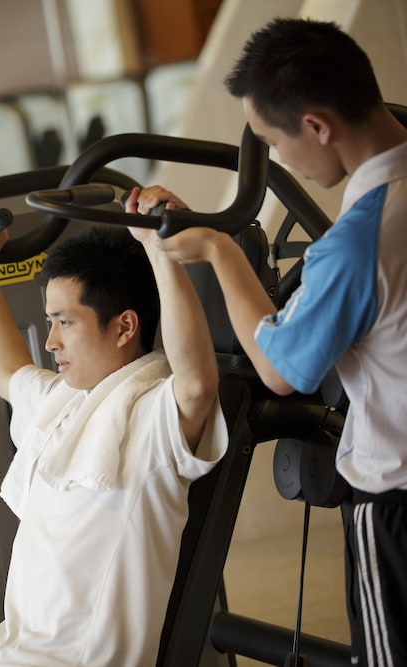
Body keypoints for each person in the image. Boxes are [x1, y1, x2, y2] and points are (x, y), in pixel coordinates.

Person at [140, 17, 407, 666]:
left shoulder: (359, 241)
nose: (280, 159)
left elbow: (281, 369)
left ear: (317, 125)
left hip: (396, 496)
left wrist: (220, 249)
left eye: (273, 142)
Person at [0, 197, 228, 666]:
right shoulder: (63, 402)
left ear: (125, 326)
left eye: (65, 322)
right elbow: (7, 373)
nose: (50, 342)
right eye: (51, 322)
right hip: (5, 656)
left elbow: (197, 385)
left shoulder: (151, 419)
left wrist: (159, 249)